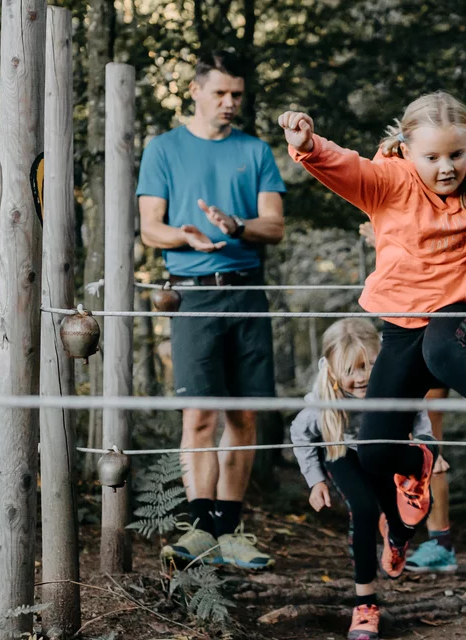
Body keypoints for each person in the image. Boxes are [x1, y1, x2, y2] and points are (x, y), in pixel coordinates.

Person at [277, 92, 466, 572]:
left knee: (441, 350)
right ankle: (407, 503)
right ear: (406, 148)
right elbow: (346, 167)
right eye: (433, 157)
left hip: (461, 312)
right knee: (375, 451)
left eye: (456, 154)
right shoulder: (389, 182)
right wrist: (309, 145)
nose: (446, 167)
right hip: (401, 325)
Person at [138, 50, 285, 570]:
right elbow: (149, 226)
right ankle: (199, 531)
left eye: (237, 95)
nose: (229, 103)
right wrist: (185, 235)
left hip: (247, 291)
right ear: (196, 90)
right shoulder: (164, 149)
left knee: (245, 415)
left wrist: (236, 226)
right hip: (191, 292)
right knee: (199, 415)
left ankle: (232, 529)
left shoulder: (257, 151)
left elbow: (275, 225)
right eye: (220, 93)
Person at [360, 225, 466, 586]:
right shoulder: (407, 204)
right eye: (432, 161)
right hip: (420, 331)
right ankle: (440, 546)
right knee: (428, 446)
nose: (444, 168)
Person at [291, 318, 431, 640]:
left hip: (385, 453)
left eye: (368, 366)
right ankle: (365, 605)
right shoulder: (323, 402)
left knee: (409, 514)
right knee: (363, 510)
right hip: (341, 452)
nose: (361, 378)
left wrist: (429, 448)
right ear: (332, 370)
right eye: (351, 370)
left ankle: (396, 536)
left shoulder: (394, 384)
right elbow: (300, 433)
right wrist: (316, 481)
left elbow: (418, 412)